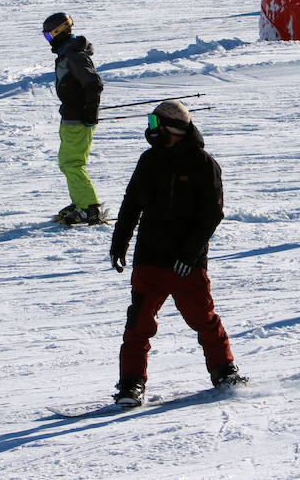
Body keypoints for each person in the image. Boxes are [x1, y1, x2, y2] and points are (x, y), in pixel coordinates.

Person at [108, 100, 246, 408]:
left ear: (173, 128)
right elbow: (132, 204)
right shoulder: (148, 161)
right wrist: (120, 242)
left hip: (186, 265)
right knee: (138, 324)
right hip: (150, 259)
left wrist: (189, 254)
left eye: (156, 124)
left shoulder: (203, 164)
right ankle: (131, 384)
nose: (150, 130)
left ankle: (225, 371)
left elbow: (212, 214)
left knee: (203, 319)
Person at [43, 12, 103, 225]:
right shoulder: (68, 53)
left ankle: (89, 207)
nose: (48, 41)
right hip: (71, 116)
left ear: (59, 32)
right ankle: (80, 201)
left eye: (49, 36)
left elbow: (94, 83)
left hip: (77, 118)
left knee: (72, 164)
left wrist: (89, 112)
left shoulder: (74, 55)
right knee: (67, 162)